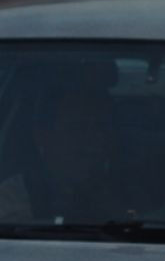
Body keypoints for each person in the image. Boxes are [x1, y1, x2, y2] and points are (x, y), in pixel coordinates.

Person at [0, 77, 125, 223]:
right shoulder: (11, 198)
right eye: (78, 128)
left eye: (101, 127)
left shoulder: (129, 193)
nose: (94, 139)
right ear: (43, 135)